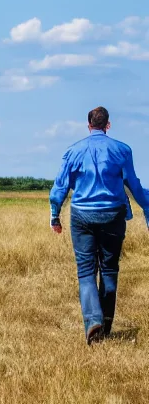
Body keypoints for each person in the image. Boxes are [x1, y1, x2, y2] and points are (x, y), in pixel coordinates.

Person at [49, 107, 149, 345]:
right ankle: (105, 325)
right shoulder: (122, 150)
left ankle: (92, 321)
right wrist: (147, 210)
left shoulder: (73, 151)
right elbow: (134, 184)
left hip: (81, 215)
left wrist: (55, 215)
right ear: (108, 125)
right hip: (113, 215)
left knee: (85, 271)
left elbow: (60, 187)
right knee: (109, 269)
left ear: (88, 125)